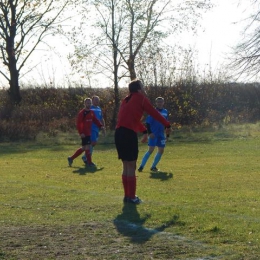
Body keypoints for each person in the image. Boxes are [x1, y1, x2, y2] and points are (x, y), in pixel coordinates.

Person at [114, 79, 171, 204]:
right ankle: (132, 197)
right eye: (143, 86)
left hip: (119, 133)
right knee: (132, 165)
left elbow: (130, 120)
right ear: (139, 89)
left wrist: (144, 131)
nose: (144, 88)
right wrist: (167, 124)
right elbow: (154, 113)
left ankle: (127, 196)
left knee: (126, 165)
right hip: (128, 134)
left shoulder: (126, 100)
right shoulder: (141, 98)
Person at [68, 98, 103, 167]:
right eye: (87, 103)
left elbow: (95, 120)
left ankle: (71, 158)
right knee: (88, 147)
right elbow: (79, 124)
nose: (89, 105)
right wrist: (81, 133)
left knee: (84, 148)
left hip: (89, 132)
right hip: (84, 133)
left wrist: (100, 126)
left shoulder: (91, 112)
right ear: (85, 104)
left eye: (90, 103)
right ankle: (89, 163)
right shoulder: (82, 113)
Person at [138, 97, 169, 172]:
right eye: (158, 102)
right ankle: (141, 166)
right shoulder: (153, 112)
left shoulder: (165, 111)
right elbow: (148, 123)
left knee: (161, 150)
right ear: (156, 103)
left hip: (161, 134)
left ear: (163, 102)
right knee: (151, 150)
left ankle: (153, 167)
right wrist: (150, 133)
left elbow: (167, 124)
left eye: (161, 102)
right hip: (153, 134)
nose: (160, 103)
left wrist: (167, 135)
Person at [82, 95, 106, 164]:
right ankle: (87, 158)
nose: (97, 102)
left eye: (98, 100)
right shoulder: (90, 108)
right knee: (93, 142)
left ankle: (85, 156)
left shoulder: (99, 108)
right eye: (96, 100)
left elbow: (101, 118)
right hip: (91, 128)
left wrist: (103, 127)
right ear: (92, 101)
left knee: (92, 144)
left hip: (97, 129)